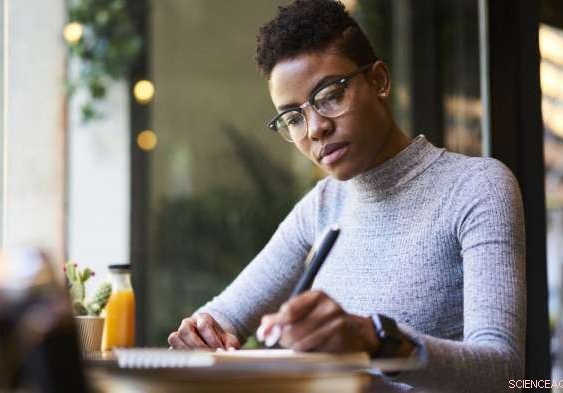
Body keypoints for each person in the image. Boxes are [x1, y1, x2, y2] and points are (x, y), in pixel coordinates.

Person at [166, 0, 526, 392]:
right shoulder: (322, 206)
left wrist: (374, 340)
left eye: (330, 95)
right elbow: (223, 317)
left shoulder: (476, 187)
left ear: (378, 81)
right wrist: (201, 331)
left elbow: (504, 372)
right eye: (292, 118)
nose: (315, 129)